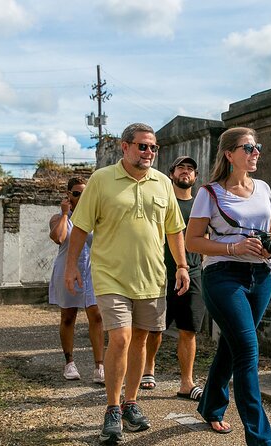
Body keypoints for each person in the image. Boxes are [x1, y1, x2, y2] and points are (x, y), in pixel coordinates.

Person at [64, 123, 190, 444]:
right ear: (125, 147)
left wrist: (182, 266)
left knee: (141, 342)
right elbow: (80, 227)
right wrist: (71, 266)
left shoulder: (163, 183)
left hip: (151, 276)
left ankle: (131, 402)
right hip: (110, 276)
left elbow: (174, 229)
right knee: (120, 338)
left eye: (153, 148)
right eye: (142, 146)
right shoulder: (102, 180)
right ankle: (112, 408)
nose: (148, 153)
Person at [186, 127, 271, 446]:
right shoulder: (209, 193)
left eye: (257, 147)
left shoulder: (264, 188)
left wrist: (269, 247)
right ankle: (261, 439)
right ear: (229, 154)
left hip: (261, 276)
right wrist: (233, 248)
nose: (256, 153)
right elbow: (192, 240)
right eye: (248, 148)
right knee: (248, 350)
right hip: (223, 276)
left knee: (234, 344)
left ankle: (211, 405)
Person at [141, 156, 205, 402]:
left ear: (195, 177)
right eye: (181, 168)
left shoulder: (200, 207)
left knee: (189, 329)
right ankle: (148, 368)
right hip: (162, 272)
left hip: (194, 272)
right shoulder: (163, 202)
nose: (186, 172)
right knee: (155, 327)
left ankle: (187, 383)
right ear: (172, 174)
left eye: (190, 169)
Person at [48, 176, 104, 384]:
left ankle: (100, 366)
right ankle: (69, 361)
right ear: (68, 195)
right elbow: (59, 237)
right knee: (68, 316)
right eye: (77, 193)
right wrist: (65, 214)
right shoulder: (59, 217)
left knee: (97, 315)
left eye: (85, 193)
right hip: (67, 269)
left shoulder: (96, 217)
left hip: (92, 270)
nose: (81, 197)